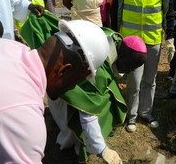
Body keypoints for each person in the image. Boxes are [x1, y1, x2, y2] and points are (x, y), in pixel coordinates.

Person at [0, 19, 109, 163]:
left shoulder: (8, 45)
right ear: (63, 71)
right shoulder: (24, 120)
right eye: (76, 81)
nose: (73, 87)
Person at [48, 29, 147, 163]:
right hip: (63, 93)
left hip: (73, 83)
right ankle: (77, 142)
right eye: (130, 66)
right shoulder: (99, 69)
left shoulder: (113, 39)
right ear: (123, 58)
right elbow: (87, 109)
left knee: (108, 96)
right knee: (80, 121)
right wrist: (102, 149)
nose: (130, 72)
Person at [115, 0, 173, 132]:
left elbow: (168, 10)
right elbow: (117, 7)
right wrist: (115, 33)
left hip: (153, 39)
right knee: (134, 81)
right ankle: (131, 116)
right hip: (132, 40)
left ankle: (146, 112)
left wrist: (170, 36)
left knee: (150, 79)